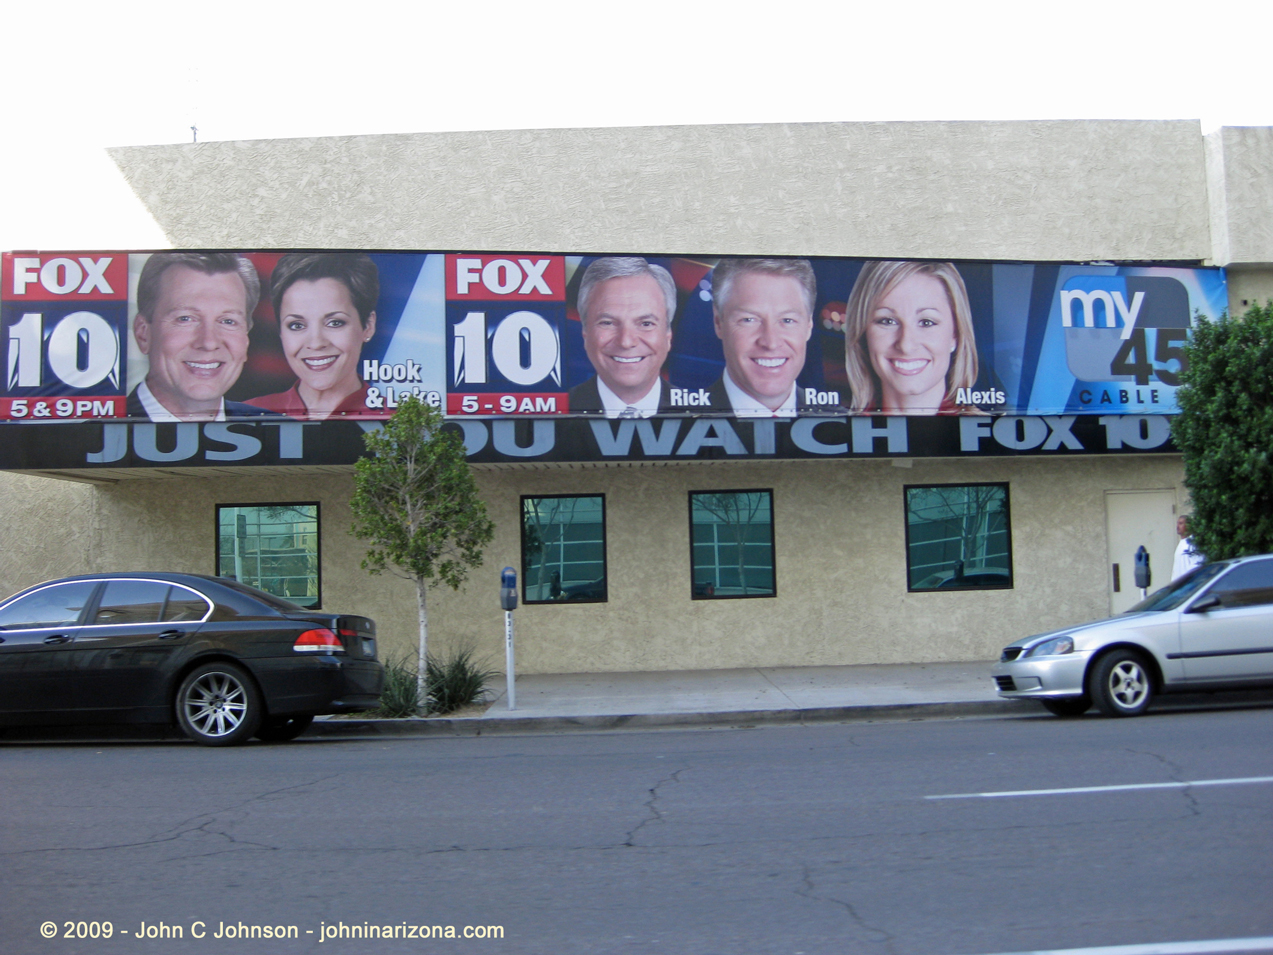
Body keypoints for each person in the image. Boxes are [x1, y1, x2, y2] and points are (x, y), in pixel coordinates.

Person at [127, 252, 274, 421]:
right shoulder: (99, 434)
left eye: (228, 321)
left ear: (246, 339)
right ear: (143, 334)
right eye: (185, 319)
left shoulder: (280, 434)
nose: (209, 342)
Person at [245, 253, 387, 419]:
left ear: (368, 326)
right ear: (281, 333)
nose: (316, 343)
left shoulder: (399, 422)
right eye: (297, 325)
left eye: (334, 323)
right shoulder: (249, 413)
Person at [843, 260, 980, 415]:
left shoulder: (991, 433)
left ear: (955, 334)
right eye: (887, 321)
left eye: (926, 322)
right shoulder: (838, 432)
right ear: (863, 332)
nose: (906, 345)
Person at [707, 258, 818, 416]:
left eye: (787, 320)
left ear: (809, 325)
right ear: (718, 323)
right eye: (749, 320)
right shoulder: (678, 421)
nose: (770, 342)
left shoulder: (844, 425)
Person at [569, 257, 679, 417]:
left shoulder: (700, 412)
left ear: (668, 335)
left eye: (646, 324)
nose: (626, 341)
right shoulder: (557, 410)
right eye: (607, 323)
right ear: (585, 333)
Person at [1172, 515, 1205, 580]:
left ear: (1188, 525)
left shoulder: (1193, 543)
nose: (1177, 526)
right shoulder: (1182, 543)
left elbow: (1196, 566)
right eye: (1177, 523)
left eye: (1181, 523)